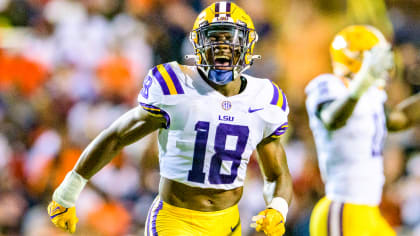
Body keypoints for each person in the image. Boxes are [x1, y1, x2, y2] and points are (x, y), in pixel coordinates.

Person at [47, 2, 293, 236]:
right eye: (214, 38)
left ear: (248, 44)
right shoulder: (176, 87)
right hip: (175, 219)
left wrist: (278, 208)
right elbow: (117, 136)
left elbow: (277, 173)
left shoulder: (264, 99)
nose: (222, 47)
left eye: (230, 39)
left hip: (227, 223)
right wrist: (68, 191)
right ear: (197, 44)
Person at [305, 25, 420, 236]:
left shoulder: (371, 96)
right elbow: (331, 118)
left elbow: (400, 118)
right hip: (343, 207)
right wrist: (362, 82)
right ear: (356, 58)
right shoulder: (329, 85)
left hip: (368, 210)